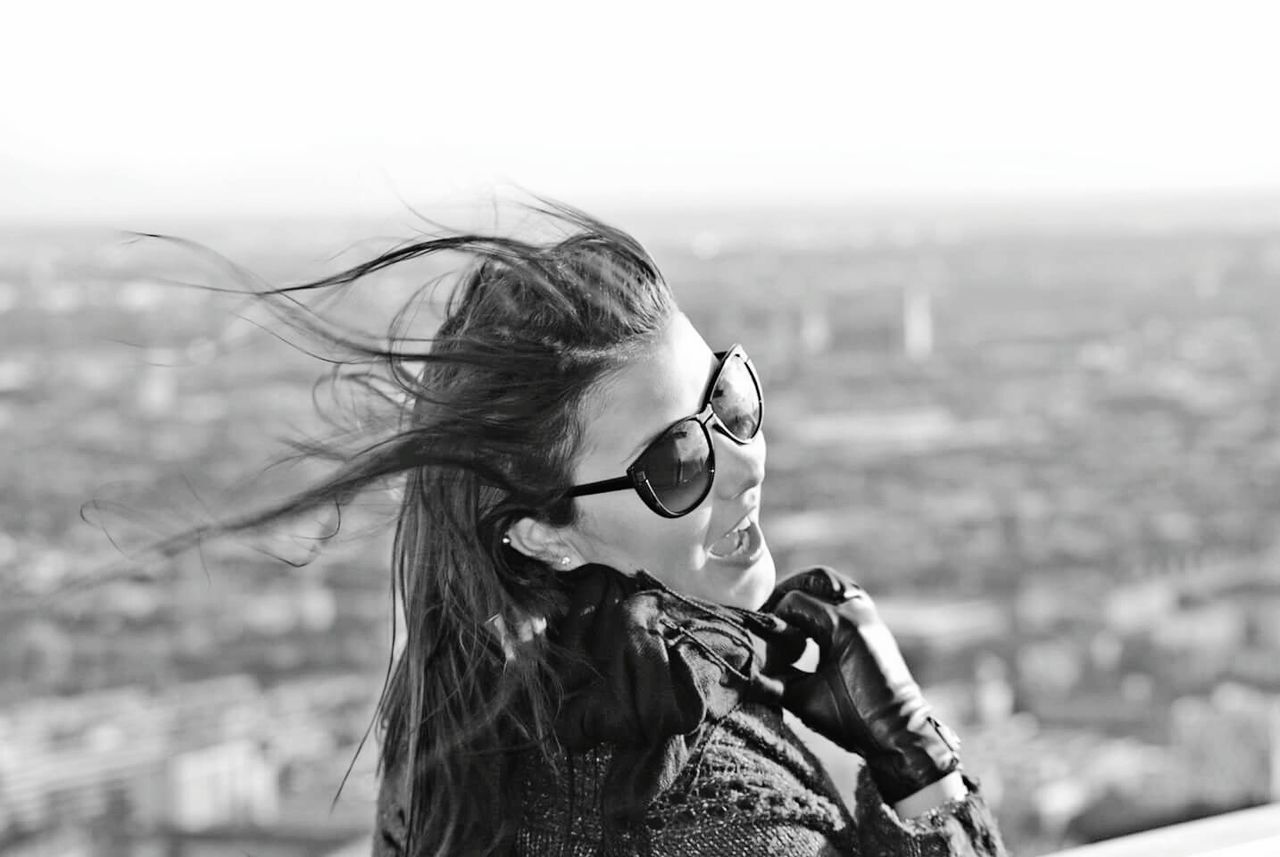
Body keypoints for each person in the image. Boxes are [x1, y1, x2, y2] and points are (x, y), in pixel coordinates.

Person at [175, 202, 1006, 856]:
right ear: (545, 534)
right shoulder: (713, 815)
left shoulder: (450, 735)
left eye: (729, 400)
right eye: (677, 462)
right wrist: (917, 763)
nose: (744, 465)